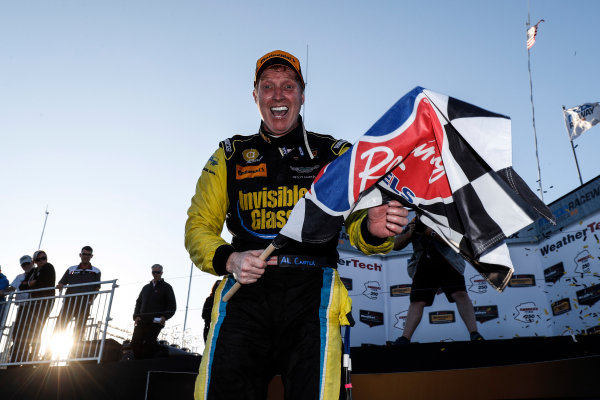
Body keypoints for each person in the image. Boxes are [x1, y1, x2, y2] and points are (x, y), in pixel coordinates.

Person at [185, 50, 408, 400]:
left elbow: (361, 230)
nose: (277, 95)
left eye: (288, 86)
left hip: (312, 293)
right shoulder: (229, 154)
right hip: (244, 290)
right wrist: (231, 261)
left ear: (302, 96)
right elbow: (198, 225)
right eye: (268, 86)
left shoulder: (336, 155)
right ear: (255, 95)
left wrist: (373, 230)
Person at [392, 216, 484, 344]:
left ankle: (474, 333)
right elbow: (395, 245)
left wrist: (430, 232)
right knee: (417, 301)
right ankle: (405, 338)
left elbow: (456, 241)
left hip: (449, 262)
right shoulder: (414, 221)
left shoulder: (445, 216)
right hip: (423, 264)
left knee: (460, 294)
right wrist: (410, 233)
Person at [55, 246, 102, 341]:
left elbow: (97, 288)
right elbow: (62, 282)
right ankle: (48, 355)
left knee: (79, 331)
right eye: (84, 254)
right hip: (69, 302)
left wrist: (91, 300)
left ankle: (74, 354)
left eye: (88, 255)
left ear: (91, 256)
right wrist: (60, 285)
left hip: (84, 304)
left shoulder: (96, 271)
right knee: (59, 328)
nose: (86, 256)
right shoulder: (71, 269)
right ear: (80, 255)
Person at [131, 264, 176, 359]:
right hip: (142, 320)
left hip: (156, 321)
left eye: (158, 272)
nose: (155, 274)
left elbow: (172, 305)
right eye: (153, 272)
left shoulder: (167, 287)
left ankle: (147, 364)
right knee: (135, 342)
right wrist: (136, 316)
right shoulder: (146, 288)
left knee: (149, 343)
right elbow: (138, 302)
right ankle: (137, 363)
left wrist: (164, 317)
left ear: (162, 273)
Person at [26, 250, 56, 359]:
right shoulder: (33, 271)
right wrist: (30, 283)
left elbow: (41, 282)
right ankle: (28, 355)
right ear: (34, 261)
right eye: (39, 259)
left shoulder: (48, 267)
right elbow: (22, 286)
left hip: (45, 302)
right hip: (33, 302)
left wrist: (31, 283)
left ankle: (34, 355)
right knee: (30, 328)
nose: (42, 261)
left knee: (38, 328)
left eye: (44, 258)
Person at [8, 255, 37, 362]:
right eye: (23, 265)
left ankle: (29, 358)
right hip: (21, 307)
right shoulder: (19, 276)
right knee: (17, 332)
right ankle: (16, 358)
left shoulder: (37, 273)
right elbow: (11, 288)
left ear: (32, 262)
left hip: (33, 307)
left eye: (27, 263)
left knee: (30, 333)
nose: (26, 266)